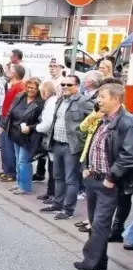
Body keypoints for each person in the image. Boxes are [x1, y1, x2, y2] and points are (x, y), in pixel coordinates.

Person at [63, 83, 133, 270]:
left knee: (100, 225)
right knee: (95, 224)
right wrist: (85, 165)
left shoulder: (127, 122)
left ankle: (88, 269)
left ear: (116, 100)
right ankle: (99, 261)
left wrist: (111, 178)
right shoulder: (104, 119)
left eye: (102, 97)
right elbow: (92, 144)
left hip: (108, 183)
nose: (98, 100)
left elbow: (129, 155)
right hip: (94, 179)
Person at [38, 75, 93, 219]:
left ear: (77, 86)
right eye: (63, 85)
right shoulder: (60, 99)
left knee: (71, 179)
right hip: (57, 143)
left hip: (72, 146)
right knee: (57, 176)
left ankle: (68, 210)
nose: (65, 87)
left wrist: (83, 136)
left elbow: (96, 117)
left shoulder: (83, 102)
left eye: (69, 85)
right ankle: (57, 203)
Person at [0, 77, 44, 195]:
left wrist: (30, 128)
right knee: (18, 160)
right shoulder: (20, 96)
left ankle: (26, 187)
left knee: (24, 161)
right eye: (28, 87)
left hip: (28, 136)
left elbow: (41, 121)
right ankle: (19, 183)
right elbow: (10, 111)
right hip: (15, 132)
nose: (30, 90)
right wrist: (3, 124)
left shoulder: (40, 102)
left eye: (33, 88)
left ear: (38, 89)